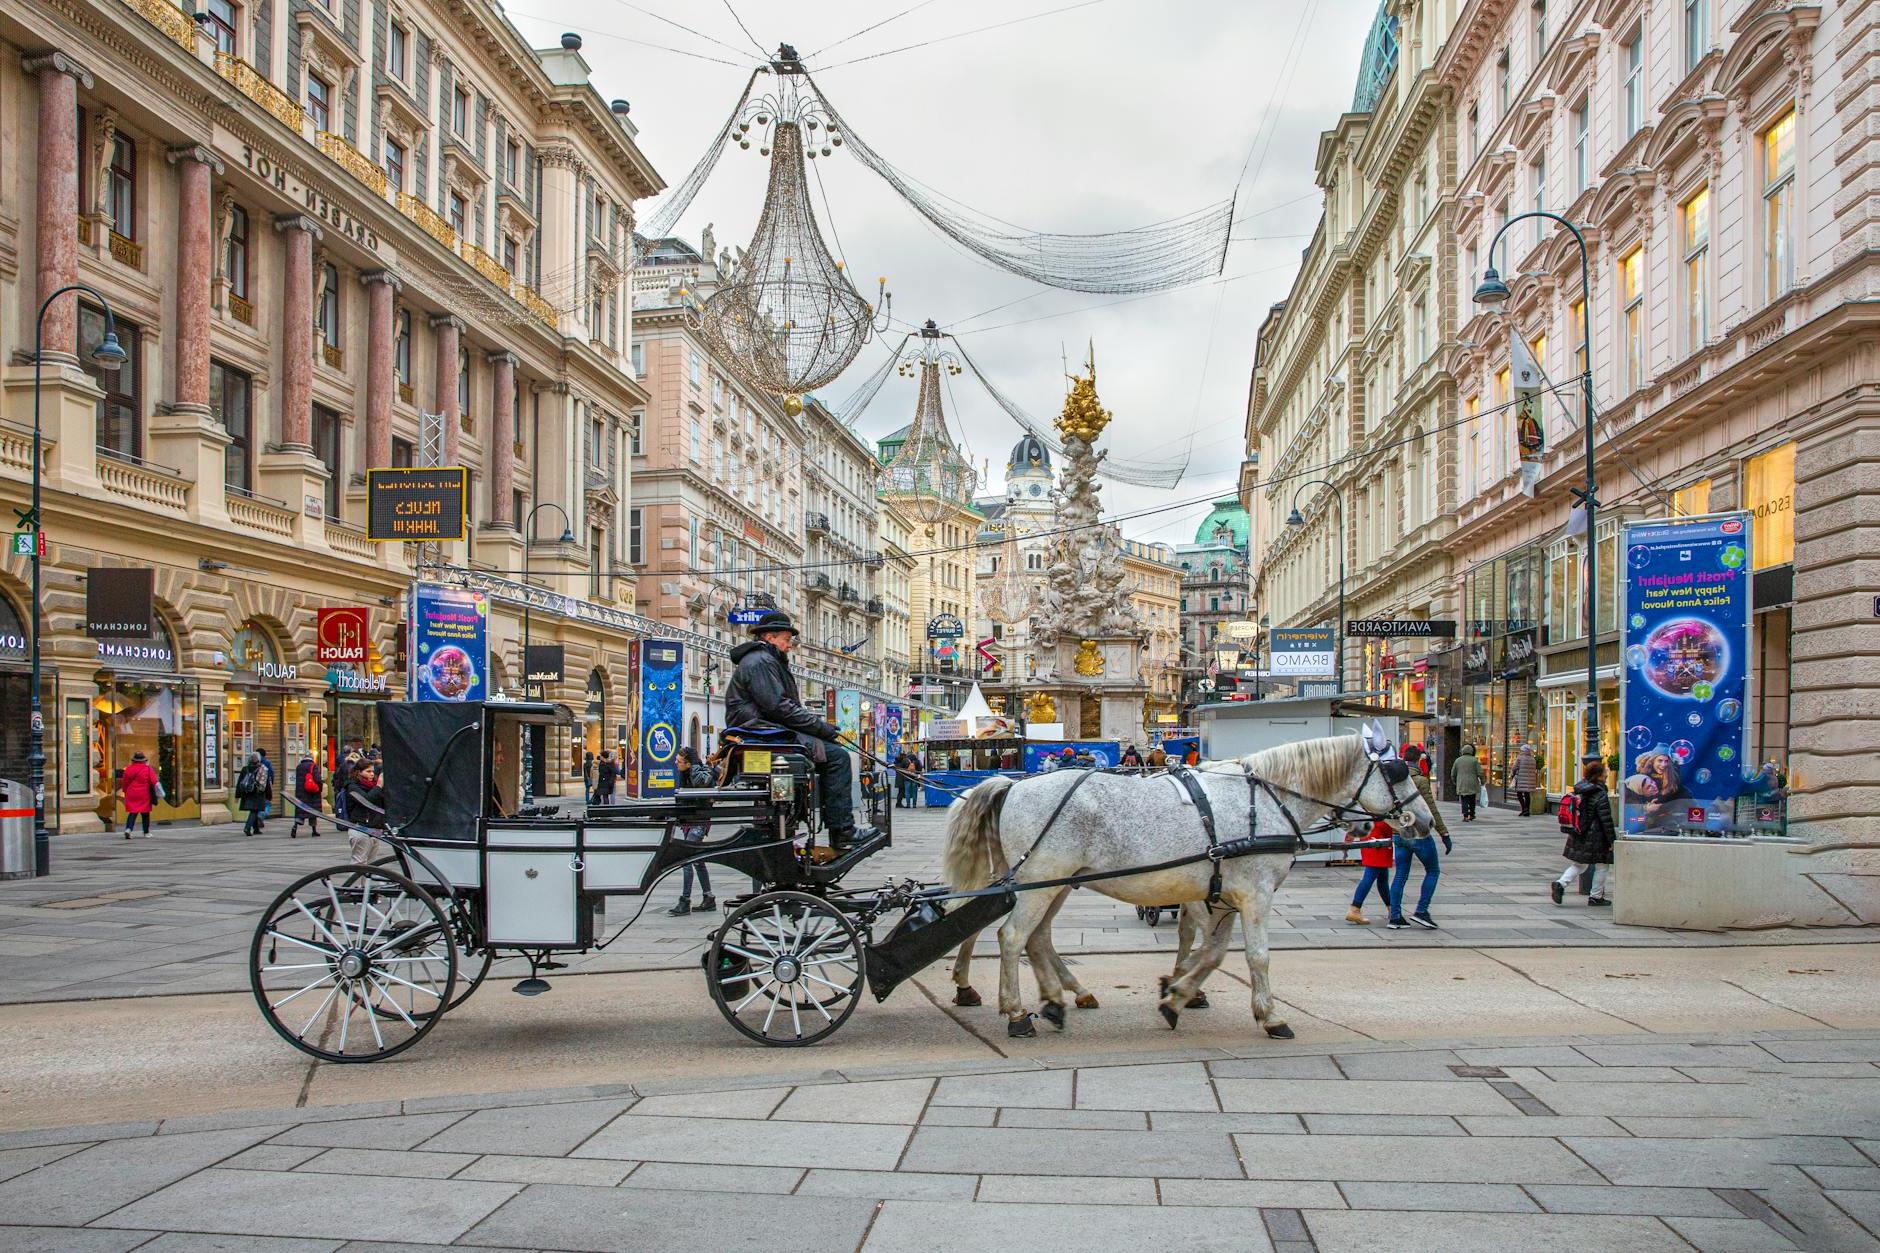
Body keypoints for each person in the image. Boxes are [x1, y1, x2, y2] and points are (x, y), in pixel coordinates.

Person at [723, 610, 867, 851]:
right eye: (786, 640)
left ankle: (821, 822)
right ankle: (842, 829)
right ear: (770, 637)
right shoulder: (761, 661)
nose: (789, 646)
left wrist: (820, 729)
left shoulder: (764, 660)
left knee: (832, 752)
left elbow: (782, 707)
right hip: (761, 731)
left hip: (766, 728)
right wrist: (821, 728)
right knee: (837, 758)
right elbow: (779, 707)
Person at [1389, 745, 1452, 930]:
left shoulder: (1392, 781)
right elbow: (1431, 809)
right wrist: (1444, 833)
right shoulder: (1421, 781)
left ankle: (1395, 917)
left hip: (1399, 833)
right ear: (1419, 761)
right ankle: (1421, 911)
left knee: (1400, 875)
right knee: (1433, 870)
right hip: (1419, 834)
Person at [1553, 756, 1616, 906]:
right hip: (1596, 835)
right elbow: (1605, 819)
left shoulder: (1581, 788)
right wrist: (1611, 840)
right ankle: (1596, 896)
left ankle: (1561, 883)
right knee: (1602, 865)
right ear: (1599, 775)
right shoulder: (1599, 792)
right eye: (1604, 772)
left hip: (1579, 832)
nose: (1607, 774)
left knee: (1580, 864)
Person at [669, 745, 718, 915]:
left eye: (679, 761)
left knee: (687, 859)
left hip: (698, 821)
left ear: (689, 764)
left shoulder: (699, 774)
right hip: (689, 821)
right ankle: (708, 897)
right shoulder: (684, 774)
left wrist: (696, 768)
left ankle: (685, 901)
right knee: (697, 860)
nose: (676, 763)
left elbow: (702, 785)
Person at [1345, 816, 1394, 924]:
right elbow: (1384, 825)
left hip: (1371, 843)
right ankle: (1355, 908)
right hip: (1378, 845)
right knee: (1369, 878)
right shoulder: (1379, 808)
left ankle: (1391, 908)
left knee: (1382, 880)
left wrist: (1348, 837)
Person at [346, 761, 387, 864]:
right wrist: (378, 786)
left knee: (371, 864)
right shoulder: (353, 786)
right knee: (359, 862)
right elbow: (367, 800)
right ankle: (355, 881)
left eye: (372, 771)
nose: (372, 774)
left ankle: (365, 881)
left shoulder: (372, 786)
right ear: (359, 772)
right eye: (368, 771)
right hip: (360, 827)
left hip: (375, 828)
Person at [119, 750, 159, 839]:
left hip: (131, 793)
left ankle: (128, 829)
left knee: (132, 812)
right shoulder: (148, 769)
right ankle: (146, 832)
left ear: (134, 760)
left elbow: (124, 782)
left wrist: (125, 791)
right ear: (144, 760)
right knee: (145, 813)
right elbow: (153, 781)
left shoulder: (128, 769)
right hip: (144, 794)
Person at [289, 753, 324, 838]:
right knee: (312, 812)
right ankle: (314, 830)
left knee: (300, 812)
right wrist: (320, 788)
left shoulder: (299, 767)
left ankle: (295, 827)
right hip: (312, 793)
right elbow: (318, 779)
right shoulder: (313, 766)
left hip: (301, 794)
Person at [235, 752, 268, 837]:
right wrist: (268, 795)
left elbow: (239, 782)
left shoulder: (245, 769)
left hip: (247, 793)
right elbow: (265, 783)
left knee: (254, 810)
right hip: (257, 793)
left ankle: (256, 829)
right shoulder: (262, 769)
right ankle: (247, 827)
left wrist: (237, 795)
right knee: (254, 811)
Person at [1452, 743, 1483, 821]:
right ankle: (1472, 814)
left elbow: (1453, 773)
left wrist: (1455, 781)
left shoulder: (1458, 760)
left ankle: (1465, 816)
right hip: (1473, 783)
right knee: (1472, 799)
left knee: (1464, 800)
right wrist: (1483, 781)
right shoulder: (1474, 760)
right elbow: (1480, 772)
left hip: (1462, 783)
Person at [1511, 743, 1539, 816]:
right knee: (1527, 794)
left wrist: (1512, 774)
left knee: (1519, 793)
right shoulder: (1533, 759)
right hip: (1530, 780)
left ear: (1522, 750)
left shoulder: (1520, 758)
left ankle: (1524, 809)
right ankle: (1527, 810)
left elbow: (1514, 767)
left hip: (1521, 779)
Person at [254, 749, 275, 823]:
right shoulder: (267, 762)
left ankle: (259, 818)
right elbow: (271, 774)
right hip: (265, 786)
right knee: (267, 803)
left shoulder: (253, 762)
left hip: (255, 786)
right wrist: (271, 784)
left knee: (258, 803)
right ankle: (261, 815)